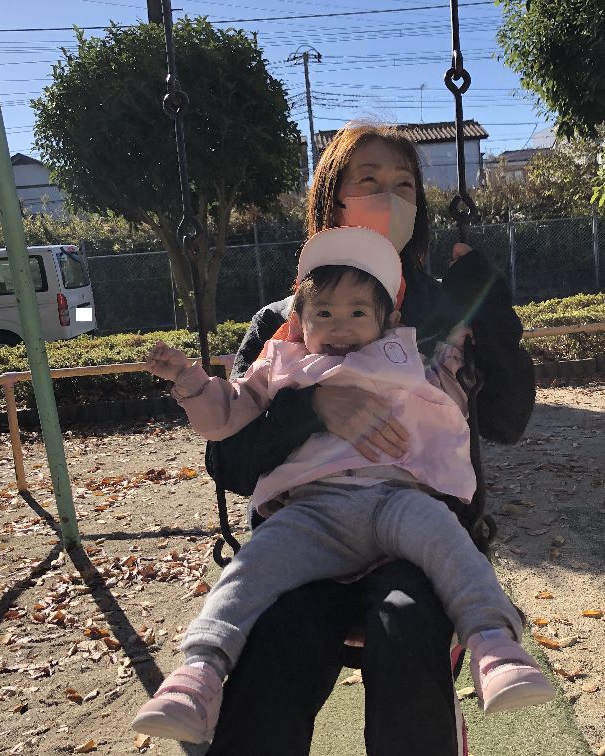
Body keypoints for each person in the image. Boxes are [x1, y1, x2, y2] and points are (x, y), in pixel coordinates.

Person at [132, 227, 554, 743]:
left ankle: (494, 644)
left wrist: (478, 307)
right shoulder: (280, 362)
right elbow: (225, 417)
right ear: (297, 321)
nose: (340, 326)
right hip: (312, 512)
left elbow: (468, 391)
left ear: (389, 321)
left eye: (358, 312)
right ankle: (198, 674)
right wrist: (191, 382)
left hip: (397, 498)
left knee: (450, 544)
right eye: (324, 313)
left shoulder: (402, 354)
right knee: (248, 573)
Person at [204, 123, 535, 756]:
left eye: (405, 185)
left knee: (407, 621)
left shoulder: (448, 308)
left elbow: (507, 421)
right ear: (332, 202)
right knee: (274, 641)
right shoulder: (283, 323)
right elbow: (231, 464)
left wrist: (492, 312)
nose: (390, 198)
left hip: (414, 534)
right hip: (306, 533)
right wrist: (311, 407)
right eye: (370, 182)